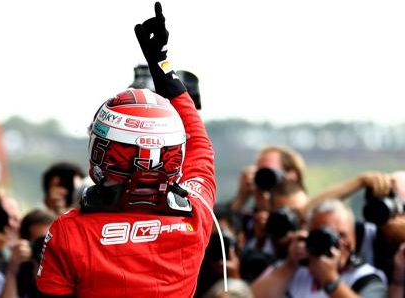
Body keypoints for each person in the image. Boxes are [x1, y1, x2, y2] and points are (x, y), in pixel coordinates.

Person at [36, 2, 216, 297]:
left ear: (101, 153)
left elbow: (199, 146)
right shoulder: (196, 216)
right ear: (172, 153)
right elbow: (200, 146)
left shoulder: (68, 232)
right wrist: (163, 66)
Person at [251, 199, 388, 298]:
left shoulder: (367, 278)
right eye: (326, 235)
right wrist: (290, 265)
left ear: (354, 237)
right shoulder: (294, 268)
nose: (336, 242)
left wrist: (330, 280)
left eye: (342, 235)